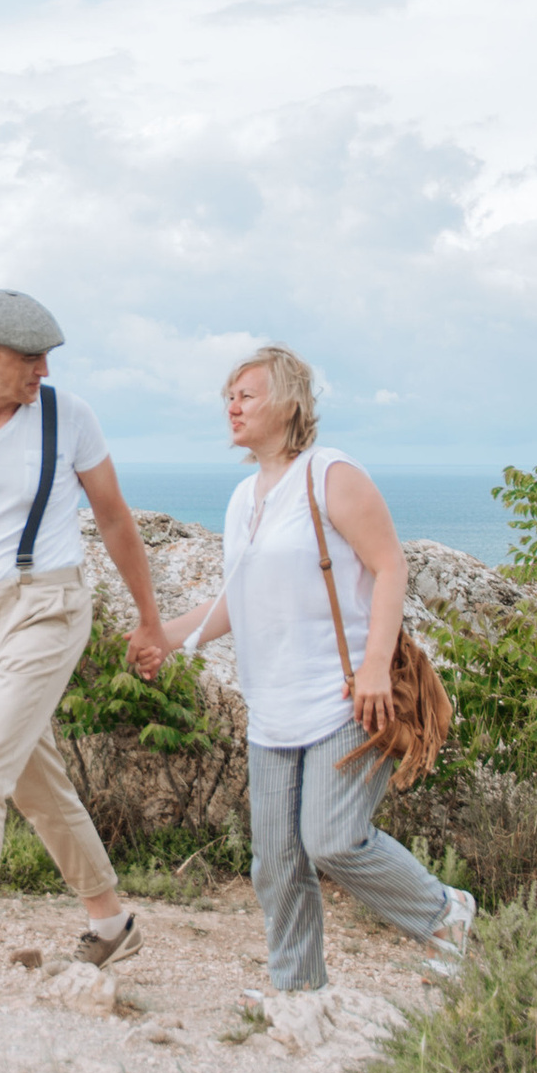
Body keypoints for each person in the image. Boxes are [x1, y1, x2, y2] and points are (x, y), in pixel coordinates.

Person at [0, 288, 173, 1008]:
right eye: (29, 358)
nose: (43, 370)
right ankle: (111, 921)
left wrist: (149, 620)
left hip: (51, 604)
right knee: (29, 777)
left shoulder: (69, 417)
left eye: (48, 357)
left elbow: (113, 519)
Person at [159, 345, 474, 994]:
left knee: (331, 839)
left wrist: (375, 670)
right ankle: (298, 994)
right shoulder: (244, 498)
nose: (233, 405)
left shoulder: (331, 475)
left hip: (346, 698)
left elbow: (390, 565)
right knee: (275, 864)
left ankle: (445, 913)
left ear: (289, 401)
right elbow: (233, 602)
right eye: (229, 396)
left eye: (246, 393)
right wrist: (162, 638)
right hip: (271, 709)